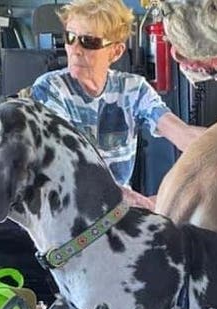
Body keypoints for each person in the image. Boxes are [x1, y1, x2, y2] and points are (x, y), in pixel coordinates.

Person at [31, 0, 205, 209]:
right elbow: (68, 166)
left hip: (119, 212)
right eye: (70, 38)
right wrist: (135, 203)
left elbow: (178, 131)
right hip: (68, 210)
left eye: (88, 41)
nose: (75, 50)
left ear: (116, 52)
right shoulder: (50, 88)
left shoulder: (133, 88)